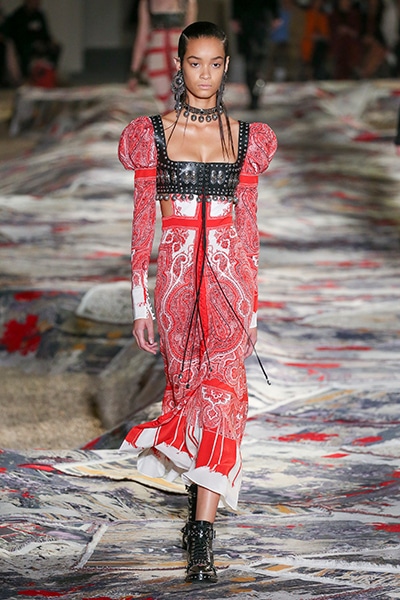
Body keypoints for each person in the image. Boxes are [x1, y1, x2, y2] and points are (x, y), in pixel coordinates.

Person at [118, 21, 277, 583]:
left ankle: (201, 534)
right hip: (178, 286)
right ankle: (197, 493)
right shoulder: (152, 135)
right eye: (194, 63)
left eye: (214, 63)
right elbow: (143, 225)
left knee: (224, 399)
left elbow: (249, 231)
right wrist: (140, 304)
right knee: (188, 393)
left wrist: (252, 307)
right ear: (179, 65)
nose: (204, 74)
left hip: (230, 285)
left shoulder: (248, 139)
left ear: (226, 66)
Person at [128, 0, 197, 110]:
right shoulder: (147, 2)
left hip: (180, 55)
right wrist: (134, 73)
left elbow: (192, 36)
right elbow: (142, 37)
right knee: (162, 103)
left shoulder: (188, 1)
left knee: (179, 100)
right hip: (156, 58)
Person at [231, 0, 281, 109]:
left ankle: (255, 95)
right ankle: (255, 95)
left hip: (257, 20)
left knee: (256, 62)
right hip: (251, 21)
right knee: (255, 62)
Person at [1, 0, 61, 86]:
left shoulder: (39, 15)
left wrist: (51, 41)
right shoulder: (18, 15)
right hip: (24, 44)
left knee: (55, 48)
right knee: (26, 50)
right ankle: (27, 78)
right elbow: (16, 35)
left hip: (40, 43)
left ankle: (49, 74)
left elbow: (45, 34)